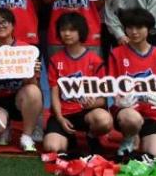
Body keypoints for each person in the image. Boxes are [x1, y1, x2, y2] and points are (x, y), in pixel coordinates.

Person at [107, 8, 156, 160]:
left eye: (139, 27)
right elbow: (112, 86)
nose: (134, 32)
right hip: (128, 113)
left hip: (153, 115)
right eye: (130, 27)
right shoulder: (116, 54)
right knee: (132, 119)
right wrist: (119, 100)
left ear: (149, 29)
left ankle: (143, 138)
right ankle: (129, 138)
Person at [43, 12, 112, 154]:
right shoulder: (55, 60)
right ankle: (69, 137)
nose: (67, 33)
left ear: (81, 31)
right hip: (64, 113)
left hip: (86, 113)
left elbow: (103, 99)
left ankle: (92, 136)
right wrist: (60, 118)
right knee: (52, 148)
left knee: (104, 120)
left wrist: (91, 103)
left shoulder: (95, 61)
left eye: (72, 29)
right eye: (63, 29)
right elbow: (54, 95)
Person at [0, 8, 43, 151]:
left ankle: (26, 136)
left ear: (13, 25)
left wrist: (32, 73)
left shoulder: (26, 49)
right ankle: (5, 127)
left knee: (34, 91)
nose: (0, 25)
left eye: (5, 22)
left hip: (18, 99)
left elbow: (32, 85)